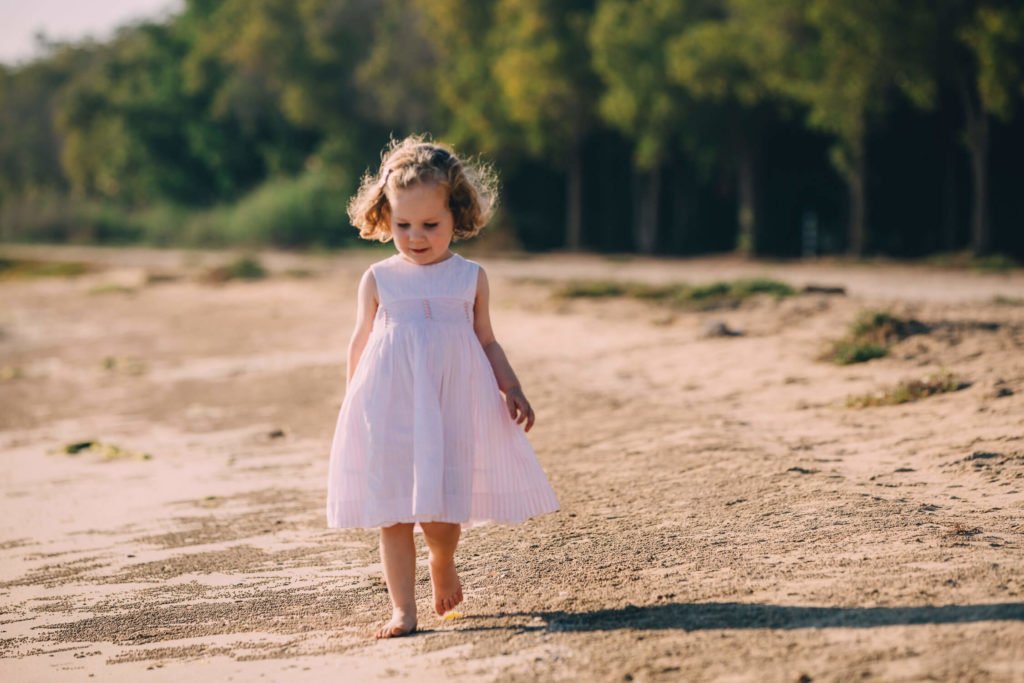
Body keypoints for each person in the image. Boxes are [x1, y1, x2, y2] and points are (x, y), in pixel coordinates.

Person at [326, 135, 559, 639]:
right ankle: (403, 611)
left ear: (457, 214)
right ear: (385, 218)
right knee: (392, 510)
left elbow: (487, 340)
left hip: (452, 403)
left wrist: (511, 386)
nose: (415, 237)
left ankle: (442, 558)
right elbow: (360, 343)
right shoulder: (378, 278)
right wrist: (353, 405)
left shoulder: (469, 277)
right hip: (389, 407)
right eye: (403, 225)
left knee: (443, 501)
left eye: (430, 225)